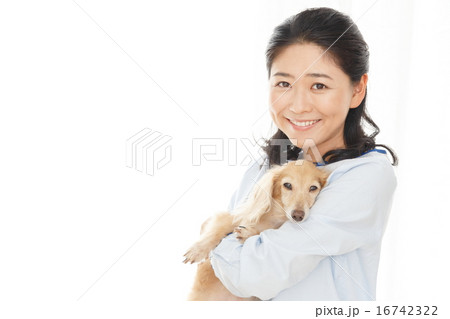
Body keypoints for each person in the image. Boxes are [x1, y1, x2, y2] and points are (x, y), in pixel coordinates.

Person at [209, 7, 398, 301]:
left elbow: (252, 276)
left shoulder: (366, 175)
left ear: (357, 89)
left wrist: (213, 238)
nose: (297, 105)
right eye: (284, 83)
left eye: (319, 85)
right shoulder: (267, 166)